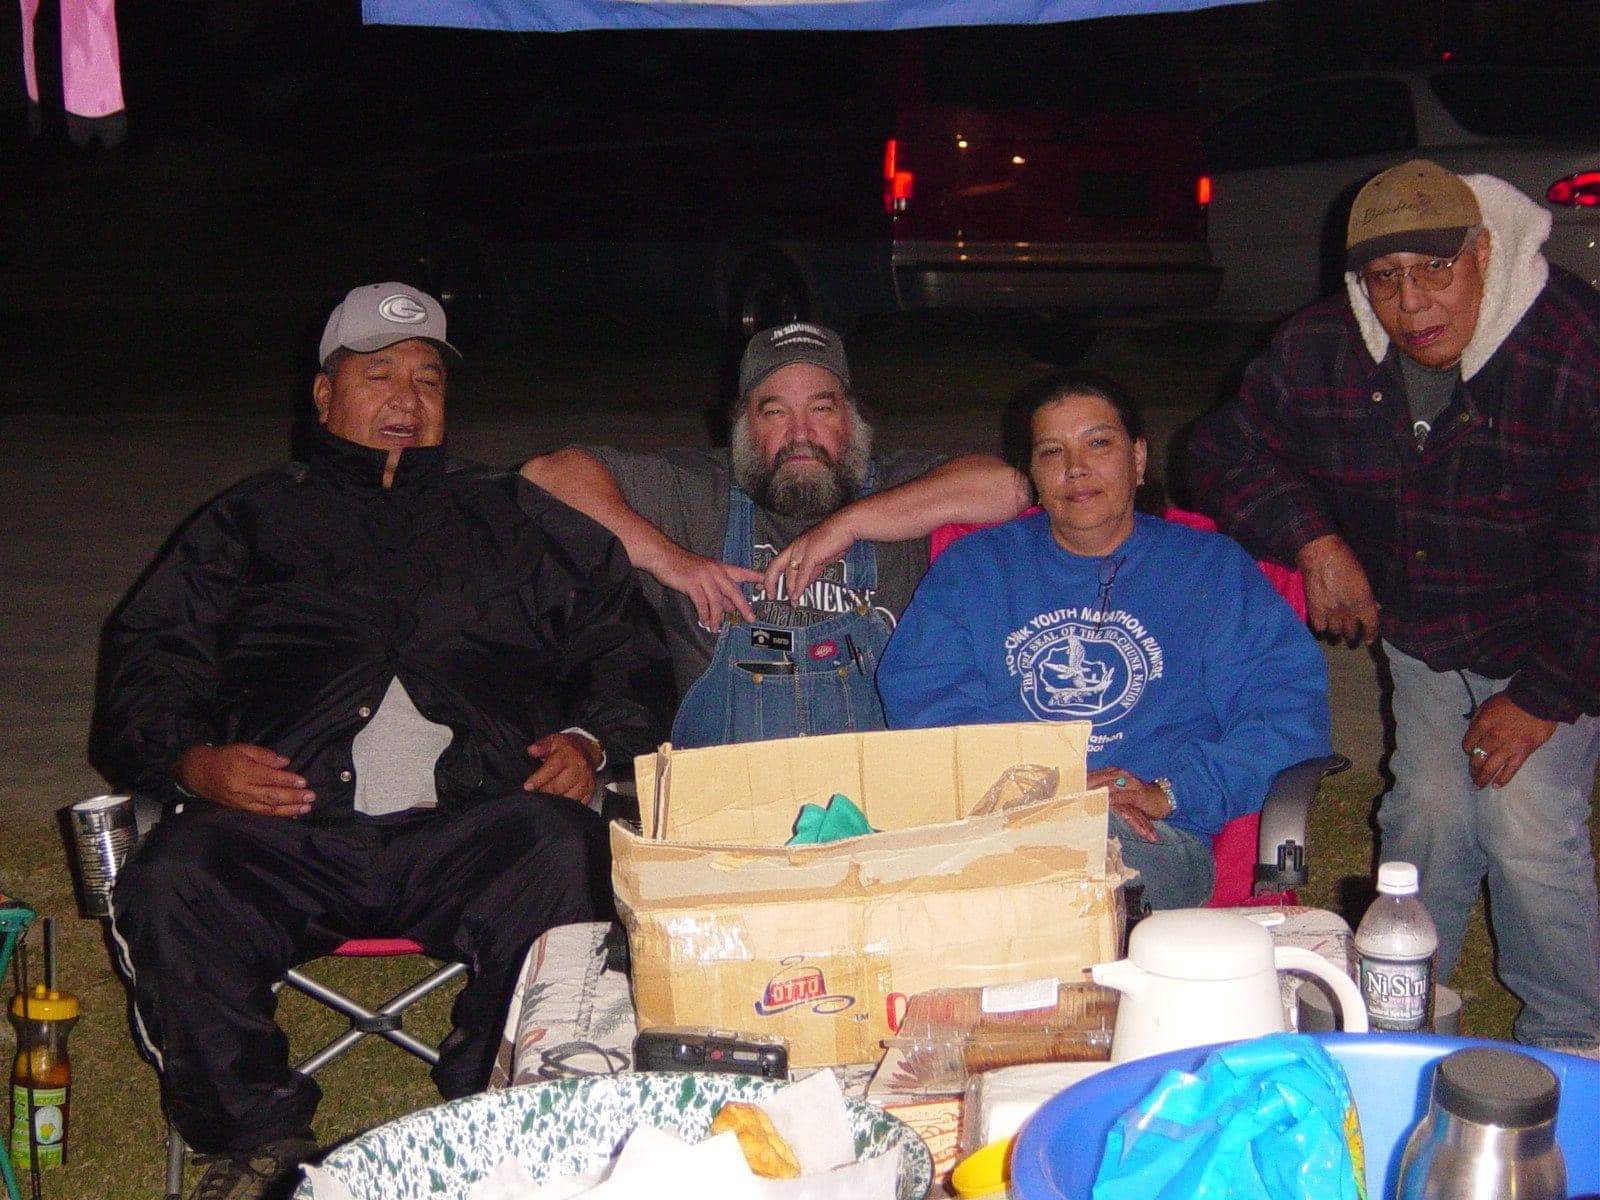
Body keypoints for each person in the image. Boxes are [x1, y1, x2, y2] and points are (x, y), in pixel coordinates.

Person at [91, 282, 673, 1200]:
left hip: (476, 826)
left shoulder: (516, 519)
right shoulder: (248, 522)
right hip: (285, 830)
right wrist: (193, 763)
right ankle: (252, 1140)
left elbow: (624, 645)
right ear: (324, 396)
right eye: (379, 375)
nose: (407, 398)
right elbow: (150, 661)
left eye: (428, 380)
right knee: (173, 876)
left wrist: (591, 740)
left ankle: (493, 1116)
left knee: (570, 849)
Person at [1186, 159, 1600, 1053]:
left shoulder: (1571, 348)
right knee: (1428, 813)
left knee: (1527, 827)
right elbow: (1220, 450)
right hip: (1425, 630)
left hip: (1558, 631)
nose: (1412, 306)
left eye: (1435, 270)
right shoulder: (1324, 347)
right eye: (1385, 278)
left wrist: (1542, 697)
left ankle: (1573, 1039)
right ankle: (1401, 1013)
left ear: (1482, 254)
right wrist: (1314, 540)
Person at [876, 371, 1330, 909]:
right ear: (1032, 475)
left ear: (1137, 458)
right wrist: (1051, 789)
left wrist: (1173, 792)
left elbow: (1287, 710)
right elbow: (926, 703)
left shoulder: (1209, 570)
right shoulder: (975, 570)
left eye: (1098, 443)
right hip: (1003, 819)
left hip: (1151, 839)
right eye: (1052, 451)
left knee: (1065, 881)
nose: (1076, 468)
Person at [522, 321, 1031, 747]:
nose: (800, 433)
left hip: (873, 799)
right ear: (743, 425)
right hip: (723, 802)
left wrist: (849, 523)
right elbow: (546, 475)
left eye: (821, 408)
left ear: (852, 420)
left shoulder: (901, 490)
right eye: (775, 412)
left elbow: (1011, 486)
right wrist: (670, 559)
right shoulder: (698, 493)